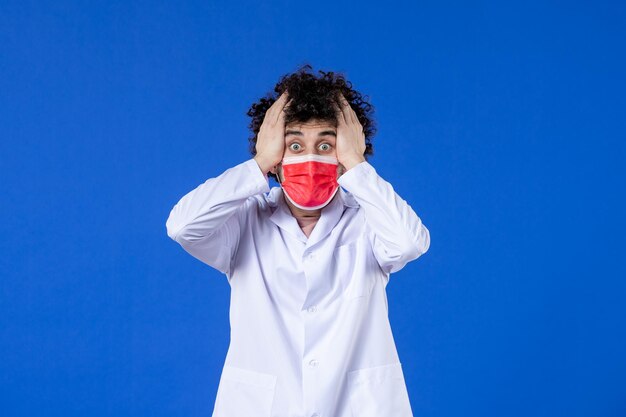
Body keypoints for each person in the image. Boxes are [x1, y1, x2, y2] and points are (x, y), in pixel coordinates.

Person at [165, 65, 430, 417]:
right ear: (276, 158)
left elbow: (410, 243)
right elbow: (183, 226)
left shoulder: (368, 219)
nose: (310, 158)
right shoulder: (244, 222)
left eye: (326, 144)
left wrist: (355, 162)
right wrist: (258, 163)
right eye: (294, 144)